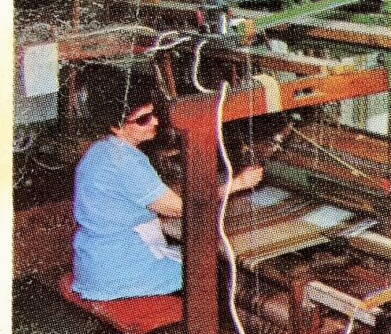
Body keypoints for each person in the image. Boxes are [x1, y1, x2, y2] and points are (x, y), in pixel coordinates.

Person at [72, 71, 263, 301]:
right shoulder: (125, 162)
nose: (155, 121)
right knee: (217, 271)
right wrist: (239, 183)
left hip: (93, 265)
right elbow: (182, 208)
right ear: (116, 127)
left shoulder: (99, 150)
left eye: (153, 113)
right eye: (143, 119)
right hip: (122, 273)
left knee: (194, 254)